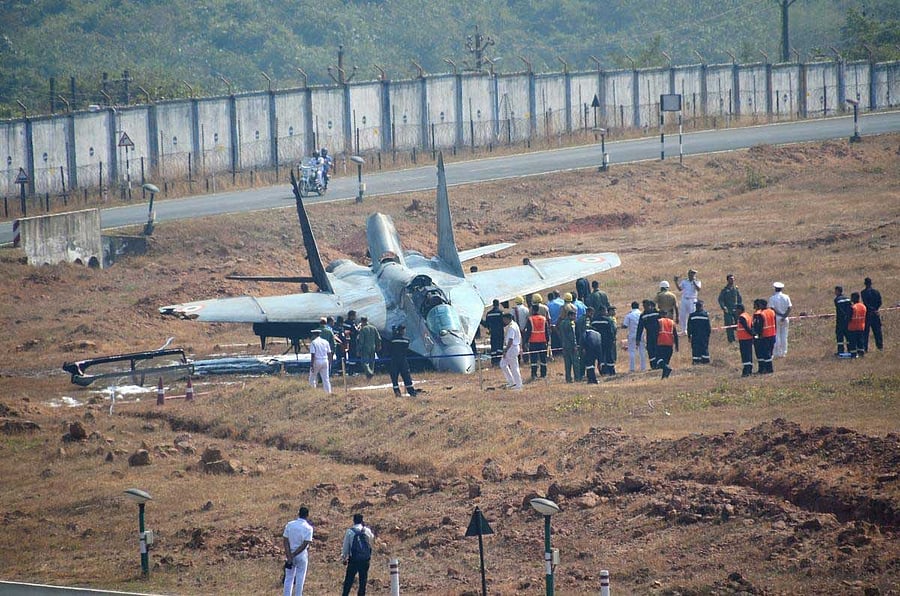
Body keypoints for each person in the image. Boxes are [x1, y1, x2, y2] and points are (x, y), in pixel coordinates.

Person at [283, 506, 314, 596]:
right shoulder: (308, 528)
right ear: (307, 515)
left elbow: (285, 540)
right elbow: (305, 544)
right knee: (300, 579)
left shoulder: (290, 525)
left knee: (288, 578)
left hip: (289, 553)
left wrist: (289, 555)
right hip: (301, 555)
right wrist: (294, 554)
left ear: (298, 513)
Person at [341, 513, 374, 596]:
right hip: (365, 560)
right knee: (363, 581)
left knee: (349, 580)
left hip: (354, 560)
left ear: (353, 521)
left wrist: (344, 558)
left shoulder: (350, 531)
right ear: (362, 520)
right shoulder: (367, 530)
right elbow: (371, 541)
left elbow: (346, 546)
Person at [387, 324, 418, 396]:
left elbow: (389, 348)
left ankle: (397, 392)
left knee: (394, 377)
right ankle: (411, 392)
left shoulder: (393, 339)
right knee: (406, 376)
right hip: (403, 360)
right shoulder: (406, 340)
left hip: (394, 360)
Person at [523, 303, 549, 380]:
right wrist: (548, 340)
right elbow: (546, 331)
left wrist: (525, 341)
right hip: (543, 341)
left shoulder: (530, 319)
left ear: (532, 310)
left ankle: (534, 374)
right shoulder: (544, 319)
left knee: (533, 359)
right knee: (543, 358)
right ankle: (543, 374)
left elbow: (528, 331)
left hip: (533, 341)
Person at [768, 282, 793, 358]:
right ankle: (784, 352)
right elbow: (789, 307)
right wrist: (785, 315)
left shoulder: (772, 298)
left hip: (776, 317)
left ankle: (777, 352)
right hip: (785, 318)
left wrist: (780, 315)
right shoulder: (786, 297)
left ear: (775, 288)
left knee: (777, 335)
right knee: (784, 335)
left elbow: (772, 309)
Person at [500, 312, 523, 390]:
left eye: (504, 319)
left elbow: (510, 340)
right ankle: (511, 381)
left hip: (512, 348)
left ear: (507, 319)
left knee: (514, 367)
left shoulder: (512, 327)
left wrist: (505, 350)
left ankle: (518, 385)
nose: (503, 321)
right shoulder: (514, 325)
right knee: (503, 364)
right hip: (512, 348)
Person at [751, 299, 775, 374]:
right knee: (769, 352)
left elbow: (759, 326)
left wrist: (757, 335)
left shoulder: (760, 314)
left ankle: (767, 369)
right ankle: (766, 369)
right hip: (772, 334)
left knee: (764, 353)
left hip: (764, 336)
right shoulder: (771, 311)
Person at [592, 306, 617, 376]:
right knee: (609, 356)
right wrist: (613, 339)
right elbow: (611, 331)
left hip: (597, 341)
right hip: (607, 341)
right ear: (603, 311)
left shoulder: (594, 320)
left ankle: (602, 371)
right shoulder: (608, 320)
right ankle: (611, 371)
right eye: (605, 311)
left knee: (600, 357)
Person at [675, 269, 702, 334]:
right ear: (688, 274)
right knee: (683, 315)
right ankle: (684, 330)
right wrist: (676, 282)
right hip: (684, 299)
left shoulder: (697, 281)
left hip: (692, 300)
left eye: (693, 274)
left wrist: (694, 283)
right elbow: (680, 289)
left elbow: (698, 289)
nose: (692, 275)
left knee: (692, 314)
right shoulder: (684, 281)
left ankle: (693, 329)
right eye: (691, 274)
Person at [717, 274, 743, 344]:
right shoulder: (725, 290)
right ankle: (731, 340)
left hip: (736, 310)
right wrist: (723, 307)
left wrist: (740, 307)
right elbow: (720, 300)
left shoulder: (735, 289)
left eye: (733, 279)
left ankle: (740, 338)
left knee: (738, 324)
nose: (732, 280)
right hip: (728, 310)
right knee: (729, 325)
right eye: (731, 279)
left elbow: (739, 298)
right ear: (728, 280)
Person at [622, 301, 646, 372]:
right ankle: (643, 368)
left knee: (632, 351)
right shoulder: (641, 314)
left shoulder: (629, 315)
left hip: (632, 334)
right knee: (642, 351)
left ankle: (632, 368)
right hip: (641, 334)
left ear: (631, 307)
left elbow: (625, 325)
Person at [861, 277, 883, 351]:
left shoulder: (863, 292)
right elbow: (880, 302)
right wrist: (876, 309)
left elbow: (865, 303)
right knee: (877, 331)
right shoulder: (876, 292)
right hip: (875, 314)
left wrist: (871, 309)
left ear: (865, 284)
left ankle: (865, 347)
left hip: (868, 314)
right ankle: (880, 346)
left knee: (865, 332)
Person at [636, 300, 660, 369]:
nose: (645, 308)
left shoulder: (657, 313)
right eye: (644, 306)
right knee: (650, 349)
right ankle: (653, 366)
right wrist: (638, 339)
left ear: (650, 305)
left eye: (646, 306)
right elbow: (640, 327)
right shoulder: (643, 315)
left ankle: (659, 365)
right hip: (649, 335)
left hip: (658, 334)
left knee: (658, 349)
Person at [308, 329, 332, 394]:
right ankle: (328, 392)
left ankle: (313, 392)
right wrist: (330, 362)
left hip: (317, 361)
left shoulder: (313, 342)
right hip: (325, 360)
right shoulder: (325, 342)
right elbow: (329, 353)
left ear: (314, 335)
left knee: (312, 378)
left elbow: (313, 354)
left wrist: (311, 365)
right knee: (326, 379)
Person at [481, 299, 505, 366]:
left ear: (493, 304)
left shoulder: (489, 313)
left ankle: (494, 361)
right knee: (499, 347)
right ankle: (499, 360)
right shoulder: (501, 313)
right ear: (498, 304)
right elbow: (504, 323)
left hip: (493, 333)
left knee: (494, 347)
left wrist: (480, 320)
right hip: (500, 333)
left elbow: (486, 324)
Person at [687, 300, 711, 364]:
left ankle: (696, 361)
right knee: (704, 347)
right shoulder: (705, 315)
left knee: (696, 348)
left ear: (696, 307)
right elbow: (708, 327)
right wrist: (708, 335)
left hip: (695, 336)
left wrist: (689, 336)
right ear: (701, 307)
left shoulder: (692, 316)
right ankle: (705, 361)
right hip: (704, 336)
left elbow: (689, 327)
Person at [656, 312, 678, 379]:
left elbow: (655, 333)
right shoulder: (672, 322)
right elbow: (675, 334)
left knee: (658, 359)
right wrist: (677, 345)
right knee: (666, 362)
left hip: (661, 343)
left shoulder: (659, 321)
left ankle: (667, 371)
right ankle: (664, 378)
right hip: (670, 344)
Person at [734, 304, 755, 377]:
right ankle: (749, 370)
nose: (735, 311)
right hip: (748, 338)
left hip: (744, 339)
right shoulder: (747, 315)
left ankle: (746, 371)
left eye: (736, 310)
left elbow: (746, 328)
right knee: (749, 355)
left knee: (745, 355)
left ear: (740, 309)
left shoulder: (742, 317)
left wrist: (752, 334)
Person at [559, 309, 578, 382]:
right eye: (574, 315)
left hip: (564, 345)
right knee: (575, 362)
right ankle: (577, 377)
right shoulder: (571, 323)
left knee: (567, 363)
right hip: (571, 346)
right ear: (570, 315)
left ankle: (568, 378)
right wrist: (575, 345)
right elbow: (572, 335)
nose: (575, 317)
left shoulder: (562, 323)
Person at [834, 286, 852, 355]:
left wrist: (843, 315)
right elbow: (851, 308)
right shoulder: (848, 299)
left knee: (840, 336)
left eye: (835, 291)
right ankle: (850, 349)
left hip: (840, 321)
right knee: (848, 336)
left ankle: (841, 351)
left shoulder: (837, 299)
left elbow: (839, 309)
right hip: (848, 320)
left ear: (838, 291)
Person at [848, 293, 867, 358]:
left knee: (853, 342)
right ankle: (861, 354)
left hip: (853, 327)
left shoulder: (853, 307)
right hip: (861, 326)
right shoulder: (863, 306)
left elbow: (849, 317)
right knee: (860, 341)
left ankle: (853, 355)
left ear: (854, 298)